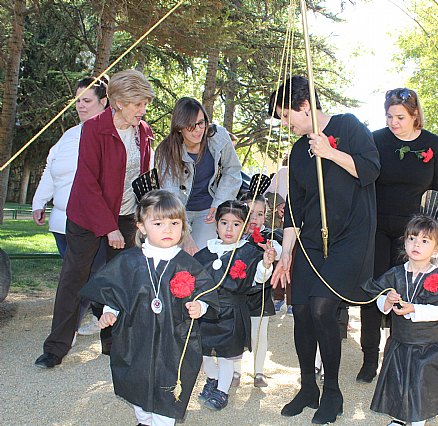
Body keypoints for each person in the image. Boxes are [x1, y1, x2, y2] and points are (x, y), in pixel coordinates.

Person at [269, 75, 380, 424]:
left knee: (321, 309)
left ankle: (332, 390)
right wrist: (286, 252)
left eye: (286, 115)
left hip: (351, 236)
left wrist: (330, 152)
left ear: (304, 106)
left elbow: (371, 169)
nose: (285, 124)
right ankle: (307, 387)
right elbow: (294, 209)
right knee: (301, 309)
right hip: (312, 239)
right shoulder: (297, 150)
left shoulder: (347, 126)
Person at [35, 69, 156, 368]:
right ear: (118, 101)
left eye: (144, 104)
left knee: (121, 281)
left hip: (126, 214)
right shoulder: (93, 129)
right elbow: (87, 184)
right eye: (137, 104)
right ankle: (55, 348)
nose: (142, 110)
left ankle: (114, 344)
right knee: (74, 280)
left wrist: (144, 212)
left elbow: (142, 176)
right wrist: (108, 227)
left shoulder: (143, 131)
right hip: (87, 216)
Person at [79, 190, 218, 425]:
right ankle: (144, 419)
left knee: (168, 393)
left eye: (174, 222)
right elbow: (114, 294)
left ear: (183, 226)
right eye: (158, 222)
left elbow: (207, 294)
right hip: (135, 340)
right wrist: (109, 313)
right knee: (138, 388)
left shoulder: (187, 264)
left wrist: (201, 307)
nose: (167, 229)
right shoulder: (129, 261)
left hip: (173, 343)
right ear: (142, 227)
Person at [358, 87, 438, 385]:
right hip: (375, 227)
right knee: (374, 290)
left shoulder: (432, 144)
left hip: (413, 232)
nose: (393, 122)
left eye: (400, 117)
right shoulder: (375, 138)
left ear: (415, 116)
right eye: (388, 116)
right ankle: (369, 356)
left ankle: (395, 355)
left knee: (406, 292)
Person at [362, 215, 438, 426]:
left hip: (427, 344)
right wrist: (388, 301)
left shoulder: (437, 277)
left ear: (436, 247)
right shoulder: (395, 273)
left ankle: (418, 417)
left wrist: (415, 309)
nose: (416, 244)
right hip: (400, 341)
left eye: (425, 241)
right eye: (412, 238)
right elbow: (378, 297)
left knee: (422, 382)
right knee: (399, 380)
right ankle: (400, 417)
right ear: (404, 242)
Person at [31, 76, 109, 336]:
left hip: (92, 225)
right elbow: (51, 171)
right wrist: (39, 202)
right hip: (61, 223)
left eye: (87, 100)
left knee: (86, 277)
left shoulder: (111, 135)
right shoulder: (68, 136)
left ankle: (71, 329)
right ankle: (95, 315)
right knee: (75, 279)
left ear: (104, 102)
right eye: (77, 101)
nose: (80, 106)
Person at [194, 200, 276, 410]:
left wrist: (266, 263)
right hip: (207, 311)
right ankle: (212, 379)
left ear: (245, 225)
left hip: (232, 312)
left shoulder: (249, 252)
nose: (229, 229)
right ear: (217, 225)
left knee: (226, 355)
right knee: (203, 353)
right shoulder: (206, 252)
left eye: (236, 224)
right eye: (224, 222)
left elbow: (259, 278)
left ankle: (222, 390)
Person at [155, 97, 243, 252]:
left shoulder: (218, 136)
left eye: (201, 123)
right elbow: (171, 197)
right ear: (179, 127)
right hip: (178, 212)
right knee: (178, 256)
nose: (198, 130)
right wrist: (185, 235)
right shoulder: (166, 151)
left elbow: (232, 170)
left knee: (204, 254)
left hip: (208, 209)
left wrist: (219, 202)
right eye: (191, 126)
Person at [234, 193, 283, 387]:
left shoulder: (270, 236)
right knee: (237, 333)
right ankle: (236, 370)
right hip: (238, 294)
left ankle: (259, 372)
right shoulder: (235, 234)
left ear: (266, 216)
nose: (254, 219)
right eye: (250, 213)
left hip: (260, 294)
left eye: (260, 214)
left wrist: (271, 251)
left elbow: (279, 251)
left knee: (260, 334)